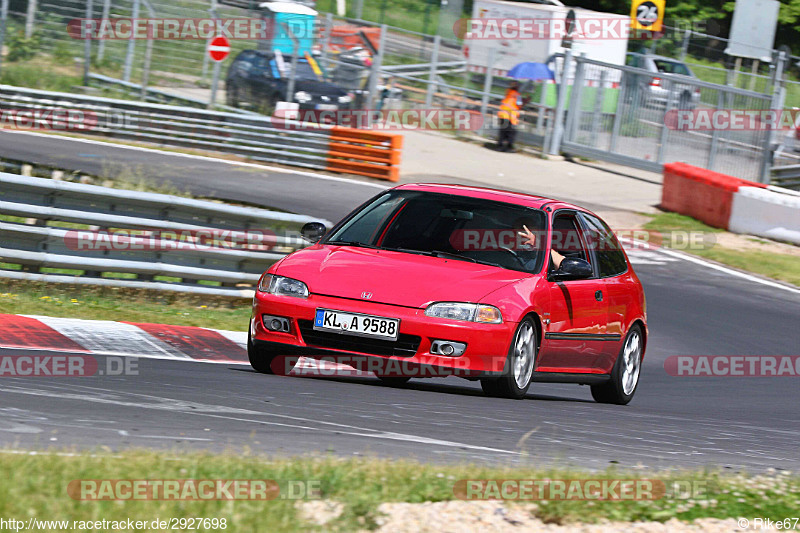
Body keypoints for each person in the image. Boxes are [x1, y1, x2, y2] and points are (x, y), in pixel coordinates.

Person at [496, 81, 529, 152]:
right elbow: (520, 105)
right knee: (511, 133)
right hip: (510, 117)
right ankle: (509, 147)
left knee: (503, 132)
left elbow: (512, 101)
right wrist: (526, 100)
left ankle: (500, 146)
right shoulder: (518, 95)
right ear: (517, 87)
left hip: (502, 115)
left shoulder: (508, 92)